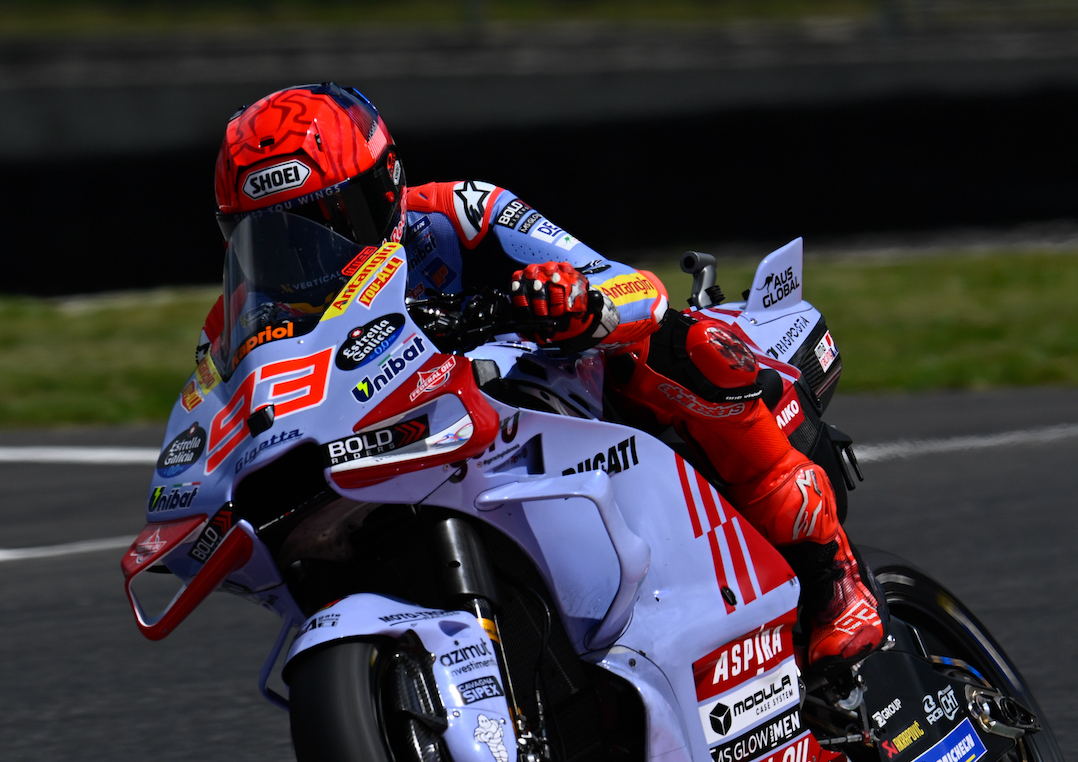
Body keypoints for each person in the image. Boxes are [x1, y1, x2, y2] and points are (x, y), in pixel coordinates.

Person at [201, 83, 882, 671]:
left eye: (328, 225)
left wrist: (574, 305)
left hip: (548, 402)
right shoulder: (241, 322)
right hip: (405, 457)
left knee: (681, 342)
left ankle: (832, 581)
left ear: (385, 189)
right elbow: (209, 414)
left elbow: (631, 287)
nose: (307, 258)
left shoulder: (458, 216)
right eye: (274, 240)